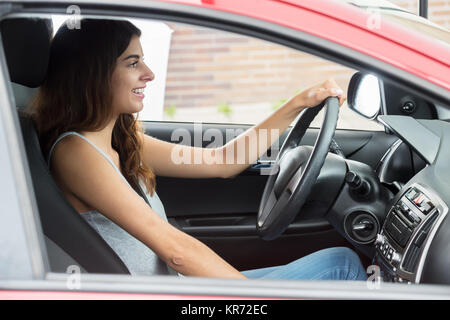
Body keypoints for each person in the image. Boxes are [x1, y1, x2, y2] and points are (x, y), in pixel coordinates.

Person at [28, 19, 367, 281]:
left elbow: (223, 161)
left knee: (342, 261)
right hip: (172, 292)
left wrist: (299, 102)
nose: (149, 73)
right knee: (345, 270)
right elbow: (175, 250)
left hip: (176, 285)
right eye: (133, 63)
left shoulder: (121, 137)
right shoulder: (76, 152)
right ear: (93, 74)